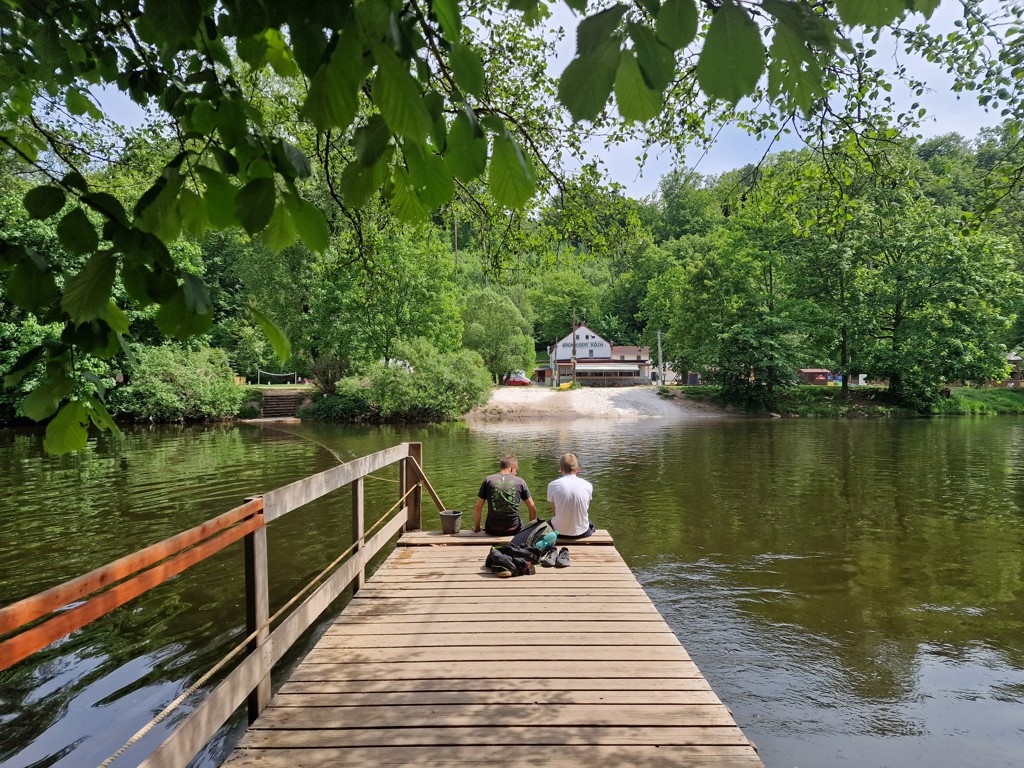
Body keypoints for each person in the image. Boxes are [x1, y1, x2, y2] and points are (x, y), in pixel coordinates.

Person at [473, 455, 539, 536]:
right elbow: (532, 509)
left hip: (492, 529)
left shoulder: (488, 480)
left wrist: (477, 528)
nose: (516, 473)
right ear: (513, 468)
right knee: (524, 524)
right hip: (514, 529)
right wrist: (532, 530)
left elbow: (478, 508)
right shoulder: (520, 482)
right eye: (516, 471)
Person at [546, 453, 595, 539]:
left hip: (559, 532)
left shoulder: (552, 485)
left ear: (561, 469)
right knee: (590, 523)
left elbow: (554, 512)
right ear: (577, 469)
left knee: (549, 522)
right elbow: (585, 508)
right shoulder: (588, 485)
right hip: (582, 532)